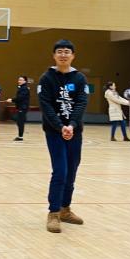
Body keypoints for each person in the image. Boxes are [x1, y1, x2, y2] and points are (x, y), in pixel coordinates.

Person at [40, 40, 88, 234]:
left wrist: (72, 125)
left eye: (67, 51)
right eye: (59, 51)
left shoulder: (79, 78)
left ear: (73, 56)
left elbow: (81, 103)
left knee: (72, 171)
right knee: (60, 170)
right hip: (54, 132)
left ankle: (65, 209)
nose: (63, 55)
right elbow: (46, 106)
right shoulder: (47, 78)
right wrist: (60, 126)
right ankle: (53, 213)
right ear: (54, 55)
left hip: (74, 132)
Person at [10, 75, 30, 141]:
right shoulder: (21, 88)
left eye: (21, 80)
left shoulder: (25, 88)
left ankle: (20, 137)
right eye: (19, 80)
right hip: (20, 107)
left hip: (23, 108)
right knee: (18, 121)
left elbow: (20, 98)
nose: (19, 81)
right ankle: (20, 135)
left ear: (25, 81)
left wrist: (12, 100)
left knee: (20, 122)